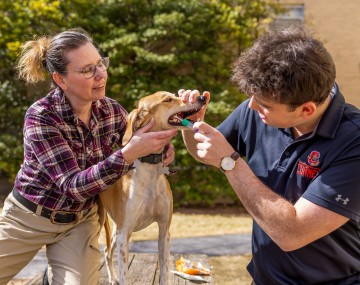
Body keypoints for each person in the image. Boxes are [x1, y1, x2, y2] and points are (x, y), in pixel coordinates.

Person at [180, 26, 360, 284]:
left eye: (264, 104)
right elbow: (206, 152)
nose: (252, 106)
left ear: (306, 110)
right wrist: (192, 125)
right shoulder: (257, 110)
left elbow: (293, 233)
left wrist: (230, 163)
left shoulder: (353, 142)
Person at [0, 28, 177, 285]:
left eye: (100, 64)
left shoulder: (112, 111)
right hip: (28, 219)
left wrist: (158, 150)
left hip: (78, 224)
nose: (100, 75)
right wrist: (130, 152)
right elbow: (73, 186)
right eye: (87, 70)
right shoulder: (41, 117)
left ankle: (57, 274)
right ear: (60, 79)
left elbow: (136, 147)